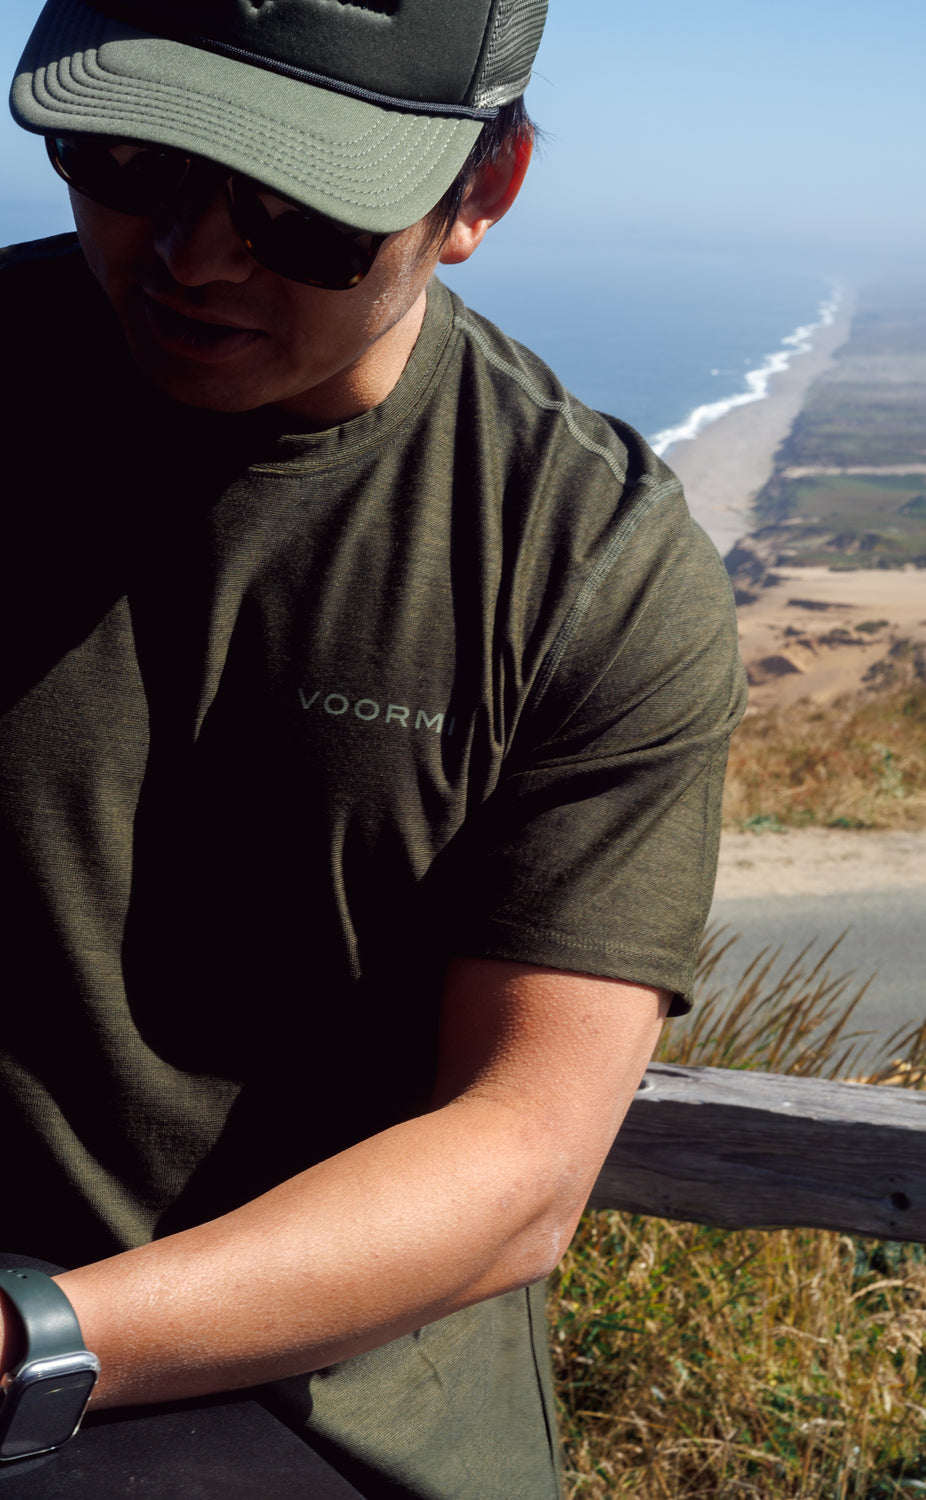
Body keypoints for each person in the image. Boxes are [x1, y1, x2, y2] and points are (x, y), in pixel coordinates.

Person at [0, 0, 746, 1494]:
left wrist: (36, 1343)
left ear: (481, 193)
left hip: (318, 1404)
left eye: (300, 209)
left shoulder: (581, 562)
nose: (196, 255)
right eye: (133, 161)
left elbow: (517, 1160)